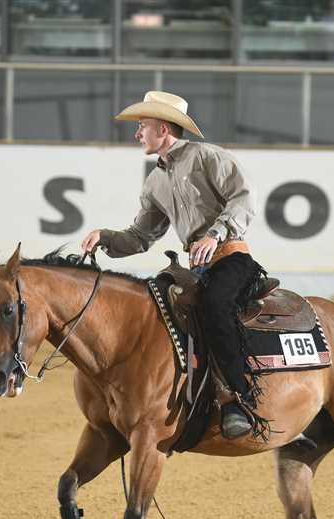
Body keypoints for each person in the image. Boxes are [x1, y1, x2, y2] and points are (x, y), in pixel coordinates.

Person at [80, 90, 268, 439]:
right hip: (198, 268)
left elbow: (244, 198)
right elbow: (140, 237)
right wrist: (104, 237)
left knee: (215, 304)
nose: (137, 134)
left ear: (163, 129)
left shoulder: (208, 157)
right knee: (155, 308)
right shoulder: (155, 182)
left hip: (231, 257)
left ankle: (237, 400)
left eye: (143, 126)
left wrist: (214, 234)